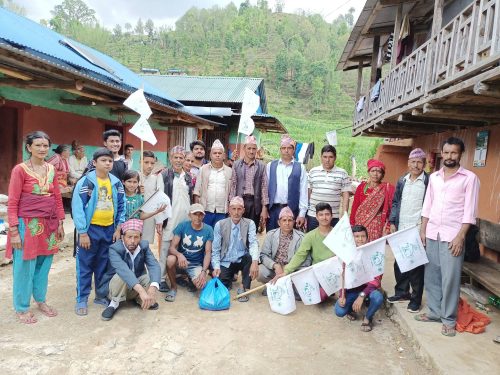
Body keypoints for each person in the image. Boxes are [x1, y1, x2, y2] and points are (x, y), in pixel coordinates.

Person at [416, 137, 479, 337]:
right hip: (433, 232)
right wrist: (423, 230)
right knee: (432, 276)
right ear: (441, 153)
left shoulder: (469, 178)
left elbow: (470, 212)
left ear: (461, 154)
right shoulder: (434, 177)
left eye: (454, 153)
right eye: (447, 152)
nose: (450, 156)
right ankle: (435, 312)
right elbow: (428, 205)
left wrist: (461, 237)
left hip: (453, 236)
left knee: (450, 279)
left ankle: (449, 319)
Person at [6, 131, 65, 324]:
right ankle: (22, 307)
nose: (42, 149)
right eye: (38, 145)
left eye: (45, 145)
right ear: (29, 147)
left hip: (48, 224)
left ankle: (40, 300)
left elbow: (56, 197)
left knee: (44, 264)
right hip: (27, 224)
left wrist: (60, 222)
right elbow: (13, 202)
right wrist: (14, 231)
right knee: (25, 266)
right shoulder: (20, 170)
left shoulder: (51, 169)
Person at [72, 148, 126, 316]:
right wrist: (82, 232)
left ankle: (100, 295)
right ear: (94, 163)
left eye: (110, 161)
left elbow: (122, 206)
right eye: (103, 160)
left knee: (103, 265)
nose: (107, 163)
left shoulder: (116, 183)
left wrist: (118, 228)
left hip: (109, 230)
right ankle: (82, 299)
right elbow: (78, 208)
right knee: (85, 265)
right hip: (90, 230)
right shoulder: (86, 182)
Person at [388, 148, 429, 313]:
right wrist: (392, 221)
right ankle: (401, 292)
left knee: (416, 266)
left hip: (418, 229)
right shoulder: (402, 181)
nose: (416, 165)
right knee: (399, 262)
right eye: (413, 161)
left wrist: (424, 230)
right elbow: (396, 202)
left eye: (419, 162)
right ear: (408, 163)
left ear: (424, 164)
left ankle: (416, 299)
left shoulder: (428, 181)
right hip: (402, 227)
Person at [272, 202, 336, 302]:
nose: (324, 218)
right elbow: (300, 254)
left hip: (336, 271)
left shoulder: (338, 233)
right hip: (319, 272)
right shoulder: (310, 236)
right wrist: (286, 271)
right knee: (318, 297)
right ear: (317, 217)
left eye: (327, 214)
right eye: (321, 215)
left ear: (332, 216)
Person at [98, 219, 160, 321]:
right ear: (123, 237)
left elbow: (154, 265)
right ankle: (114, 303)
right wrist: (142, 291)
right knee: (121, 276)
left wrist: (153, 288)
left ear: (141, 237)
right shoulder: (114, 249)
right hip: (116, 288)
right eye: (129, 237)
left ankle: (139, 299)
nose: (132, 241)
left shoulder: (144, 246)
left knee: (149, 277)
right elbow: (124, 271)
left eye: (136, 237)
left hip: (134, 287)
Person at [157, 145, 193, 293]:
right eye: (175, 157)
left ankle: (178, 275)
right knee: (165, 249)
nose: (178, 160)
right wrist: (159, 220)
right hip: (169, 219)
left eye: (181, 157)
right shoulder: (164, 175)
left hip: (184, 219)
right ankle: (160, 279)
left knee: (181, 248)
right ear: (170, 158)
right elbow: (159, 199)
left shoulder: (188, 176)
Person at [335, 225, 384, 332]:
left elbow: (376, 280)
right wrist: (341, 295)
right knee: (339, 311)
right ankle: (350, 309)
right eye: (356, 237)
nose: (360, 239)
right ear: (351, 239)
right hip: (351, 290)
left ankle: (367, 318)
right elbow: (342, 277)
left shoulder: (373, 253)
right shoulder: (345, 254)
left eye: (363, 236)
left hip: (367, 290)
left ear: (367, 238)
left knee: (378, 297)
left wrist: (362, 296)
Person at [211, 196, 259, 302]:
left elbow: (253, 243)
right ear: (229, 210)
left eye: (239, 209)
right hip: (226, 260)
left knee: (250, 257)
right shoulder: (220, 225)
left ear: (243, 210)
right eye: (233, 209)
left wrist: (255, 262)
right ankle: (230, 276)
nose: (236, 212)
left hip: (242, 259)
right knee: (221, 286)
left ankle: (243, 287)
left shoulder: (249, 223)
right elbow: (215, 249)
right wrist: (216, 266)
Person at [164, 203, 214, 302]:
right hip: (181, 262)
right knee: (170, 259)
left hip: (195, 264)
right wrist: (179, 255)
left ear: (204, 216)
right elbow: (172, 248)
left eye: (200, 214)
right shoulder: (183, 226)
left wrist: (204, 272)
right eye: (195, 214)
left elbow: (208, 253)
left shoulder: (208, 229)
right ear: (190, 215)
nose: (198, 217)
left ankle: (191, 279)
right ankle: (173, 288)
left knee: (200, 285)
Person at [266, 134, 308, 231]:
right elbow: (265, 189)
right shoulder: (270, 166)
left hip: (292, 211)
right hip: (273, 211)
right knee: (273, 238)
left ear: (293, 150)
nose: (286, 150)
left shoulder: (300, 167)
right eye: (283, 148)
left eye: (289, 148)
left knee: (291, 241)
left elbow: (303, 192)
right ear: (280, 150)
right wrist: (265, 209)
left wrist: (302, 214)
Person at [258, 207, 308, 286]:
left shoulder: (302, 237)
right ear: (279, 222)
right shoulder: (271, 234)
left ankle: (287, 287)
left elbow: (307, 260)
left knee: (305, 271)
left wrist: (289, 268)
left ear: (294, 222)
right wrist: (275, 265)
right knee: (260, 271)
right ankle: (274, 286)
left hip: (293, 270)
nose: (287, 223)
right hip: (275, 270)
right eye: (284, 220)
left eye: (290, 220)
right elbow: (263, 255)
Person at [307, 145, 351, 231]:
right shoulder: (313, 172)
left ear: (335, 158)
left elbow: (346, 196)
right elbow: (308, 192)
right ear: (321, 157)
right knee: (313, 240)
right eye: (325, 157)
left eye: (330, 157)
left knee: (331, 243)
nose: (327, 160)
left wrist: (344, 214)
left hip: (332, 216)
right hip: (313, 215)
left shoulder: (342, 173)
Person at [229, 135, 269, 229]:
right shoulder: (237, 164)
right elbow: (233, 185)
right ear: (244, 148)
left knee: (252, 231)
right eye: (249, 148)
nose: (251, 151)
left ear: (257, 150)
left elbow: (264, 187)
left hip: (255, 203)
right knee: (237, 231)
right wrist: (231, 204)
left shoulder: (261, 166)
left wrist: (264, 208)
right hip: (239, 202)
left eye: (254, 149)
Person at [350, 159, 395, 241]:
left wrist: (389, 225)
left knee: (372, 249)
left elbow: (392, 208)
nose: (375, 174)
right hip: (359, 224)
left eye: (379, 171)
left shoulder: (387, 188)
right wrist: (352, 223)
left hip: (376, 226)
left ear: (382, 174)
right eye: (373, 170)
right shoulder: (361, 187)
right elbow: (355, 206)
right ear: (369, 172)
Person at [194, 139, 232, 227]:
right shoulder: (203, 169)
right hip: (205, 210)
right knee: (205, 235)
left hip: (222, 211)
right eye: (215, 153)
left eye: (220, 153)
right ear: (210, 155)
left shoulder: (230, 171)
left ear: (224, 155)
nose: (217, 155)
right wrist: (197, 209)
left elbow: (232, 193)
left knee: (219, 236)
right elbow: (197, 191)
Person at [140, 150, 162, 244]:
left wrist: (158, 219)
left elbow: (158, 199)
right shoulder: (135, 176)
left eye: (152, 163)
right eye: (146, 162)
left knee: (145, 243)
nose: (149, 166)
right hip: (136, 213)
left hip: (149, 216)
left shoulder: (156, 179)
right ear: (140, 162)